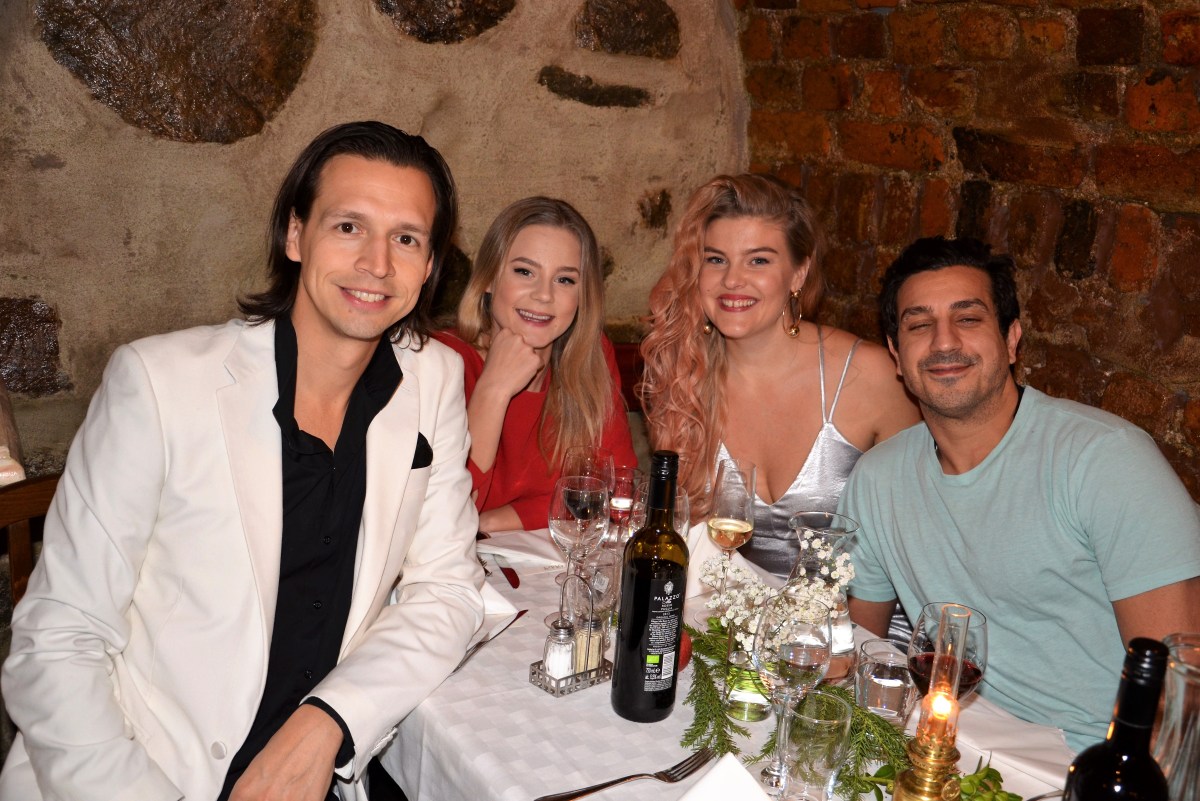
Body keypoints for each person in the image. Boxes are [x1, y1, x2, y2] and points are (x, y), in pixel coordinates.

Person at [0, 121, 485, 801]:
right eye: (348, 226)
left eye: (406, 238)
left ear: (429, 265)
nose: (377, 263)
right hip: (143, 773)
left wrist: (328, 721)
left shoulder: (432, 379)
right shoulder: (160, 383)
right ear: (295, 235)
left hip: (317, 772)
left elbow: (448, 590)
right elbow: (59, 639)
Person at [842, 235, 1200, 751]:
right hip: (949, 745)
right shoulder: (878, 478)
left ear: (1011, 340)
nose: (943, 342)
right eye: (919, 325)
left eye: (968, 318)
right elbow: (859, 649)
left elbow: (1181, 692)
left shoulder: (1105, 461)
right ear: (897, 355)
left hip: (1091, 759)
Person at [640, 174, 919, 577]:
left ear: (799, 273)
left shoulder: (869, 376)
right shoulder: (682, 376)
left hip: (855, 612)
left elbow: (916, 533)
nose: (732, 280)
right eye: (715, 259)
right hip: (719, 610)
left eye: (758, 260)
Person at [434, 196, 637, 533]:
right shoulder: (440, 360)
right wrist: (493, 389)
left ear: (583, 295)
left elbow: (614, 492)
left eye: (565, 280)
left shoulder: (589, 358)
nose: (544, 295)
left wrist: (491, 521)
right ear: (488, 278)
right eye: (524, 272)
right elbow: (441, 516)